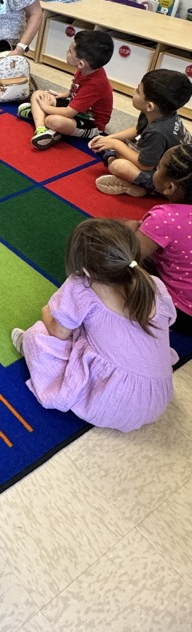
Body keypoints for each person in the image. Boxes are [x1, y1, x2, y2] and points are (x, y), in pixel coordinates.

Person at [11, 219, 177, 432]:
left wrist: (46, 311)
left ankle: (30, 349)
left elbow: (58, 332)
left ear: (86, 270)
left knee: (37, 335)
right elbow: (167, 322)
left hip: (110, 402)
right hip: (156, 398)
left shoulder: (81, 287)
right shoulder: (154, 285)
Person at [89, 69, 192, 196]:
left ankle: (144, 188)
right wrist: (110, 138)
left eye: (138, 91)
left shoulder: (158, 132)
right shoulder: (160, 113)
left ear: (149, 106)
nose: (134, 91)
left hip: (167, 182)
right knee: (104, 145)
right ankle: (131, 181)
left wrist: (116, 145)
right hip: (156, 160)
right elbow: (137, 129)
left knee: (118, 166)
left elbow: (145, 165)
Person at [126, 144, 192, 334]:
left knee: (117, 268)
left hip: (180, 311)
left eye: (159, 167)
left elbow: (129, 257)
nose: (155, 170)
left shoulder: (164, 218)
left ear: (170, 187)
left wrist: (129, 230)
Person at [18, 30, 114, 150]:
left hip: (90, 123)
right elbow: (77, 88)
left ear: (80, 64)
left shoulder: (95, 84)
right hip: (74, 107)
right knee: (38, 95)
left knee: (53, 121)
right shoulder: (88, 69)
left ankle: (43, 119)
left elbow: (69, 113)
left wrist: (46, 108)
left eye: (69, 51)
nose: (66, 52)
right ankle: (41, 130)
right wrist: (64, 95)